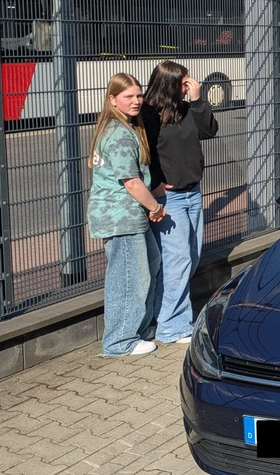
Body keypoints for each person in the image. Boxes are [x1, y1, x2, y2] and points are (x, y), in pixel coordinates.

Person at [87, 73, 166, 357]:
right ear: (113, 100)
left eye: (138, 95)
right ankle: (120, 341)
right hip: (120, 216)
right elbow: (131, 182)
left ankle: (141, 329)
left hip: (127, 215)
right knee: (130, 277)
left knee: (151, 264)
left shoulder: (118, 126)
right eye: (128, 96)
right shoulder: (119, 133)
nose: (136, 101)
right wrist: (154, 207)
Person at [142, 61, 218, 345]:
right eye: (184, 83)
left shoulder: (186, 109)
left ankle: (165, 317)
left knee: (191, 256)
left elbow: (210, 130)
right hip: (169, 197)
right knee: (178, 260)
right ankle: (172, 327)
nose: (189, 85)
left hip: (192, 192)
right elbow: (145, 152)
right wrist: (156, 184)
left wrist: (198, 100)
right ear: (171, 84)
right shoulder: (149, 114)